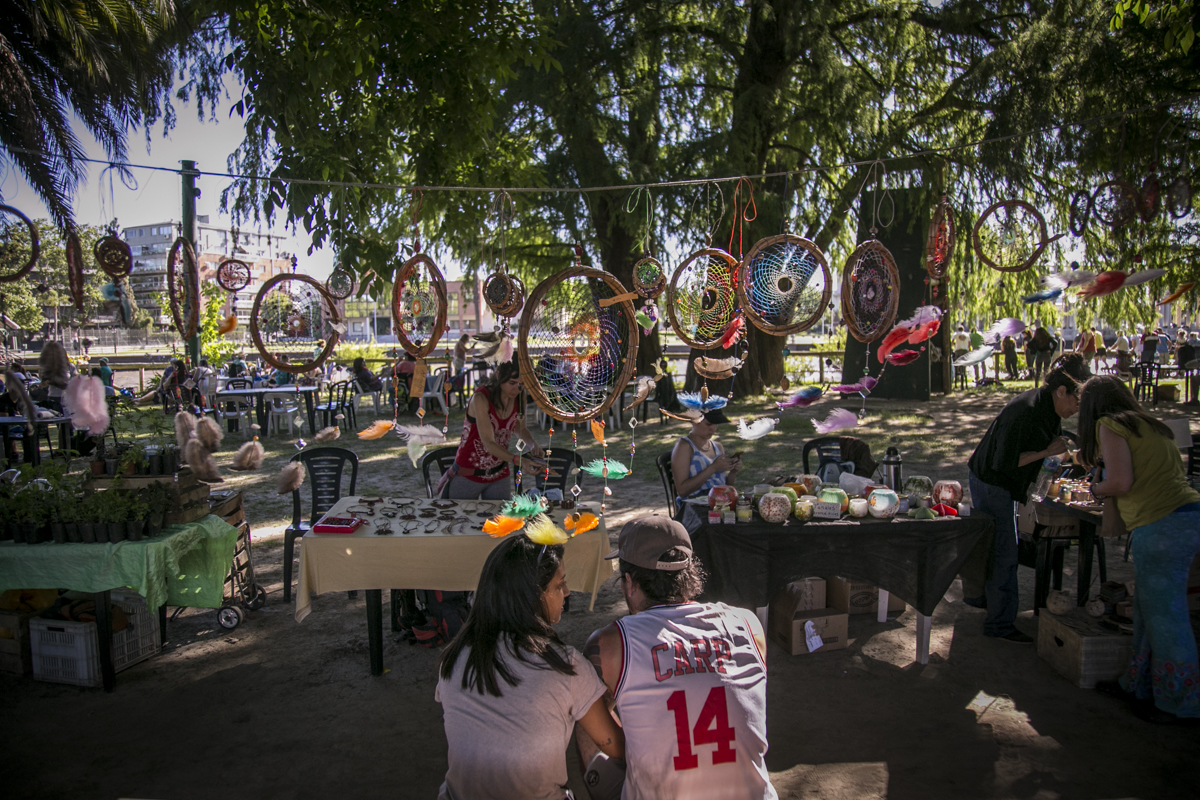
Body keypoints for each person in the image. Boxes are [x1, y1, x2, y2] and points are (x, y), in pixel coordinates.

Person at [580, 516, 777, 800]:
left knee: (585, 708)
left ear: (629, 583)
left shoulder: (610, 644)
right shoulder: (748, 625)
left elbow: (601, 727)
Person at [436, 534, 624, 800]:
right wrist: (609, 696)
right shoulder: (566, 665)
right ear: (534, 595)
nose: (567, 593)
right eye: (560, 584)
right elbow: (616, 747)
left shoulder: (454, 659)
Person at [1077, 376, 1200, 723]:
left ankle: (1181, 702)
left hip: (1162, 526)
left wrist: (1095, 489)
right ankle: (1138, 685)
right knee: (1147, 611)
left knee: (1167, 618)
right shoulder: (1151, 424)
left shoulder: (1109, 425)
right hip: (1188, 516)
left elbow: (1121, 482)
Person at [963, 352, 1092, 643]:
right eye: (1077, 401)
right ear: (1062, 391)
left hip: (1005, 481)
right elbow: (1004, 462)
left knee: (997, 547)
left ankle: (982, 599)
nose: (1077, 409)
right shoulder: (1026, 411)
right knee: (1004, 551)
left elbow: (1048, 452)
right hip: (992, 481)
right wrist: (1047, 452)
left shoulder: (1050, 407)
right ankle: (999, 624)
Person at [437, 360, 545, 499]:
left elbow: (520, 428)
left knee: (500, 513)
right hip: (469, 472)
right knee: (462, 513)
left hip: (499, 472)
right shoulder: (480, 398)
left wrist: (533, 445)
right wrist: (520, 461)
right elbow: (488, 443)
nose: (517, 389)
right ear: (498, 375)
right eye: (512, 383)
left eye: (522, 384)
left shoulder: (520, 396)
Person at [670, 408, 740, 508]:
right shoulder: (684, 447)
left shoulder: (718, 447)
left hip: (720, 502)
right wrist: (713, 468)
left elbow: (726, 486)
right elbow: (682, 491)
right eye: (709, 424)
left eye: (716, 424)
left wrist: (733, 471)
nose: (713, 429)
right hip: (694, 506)